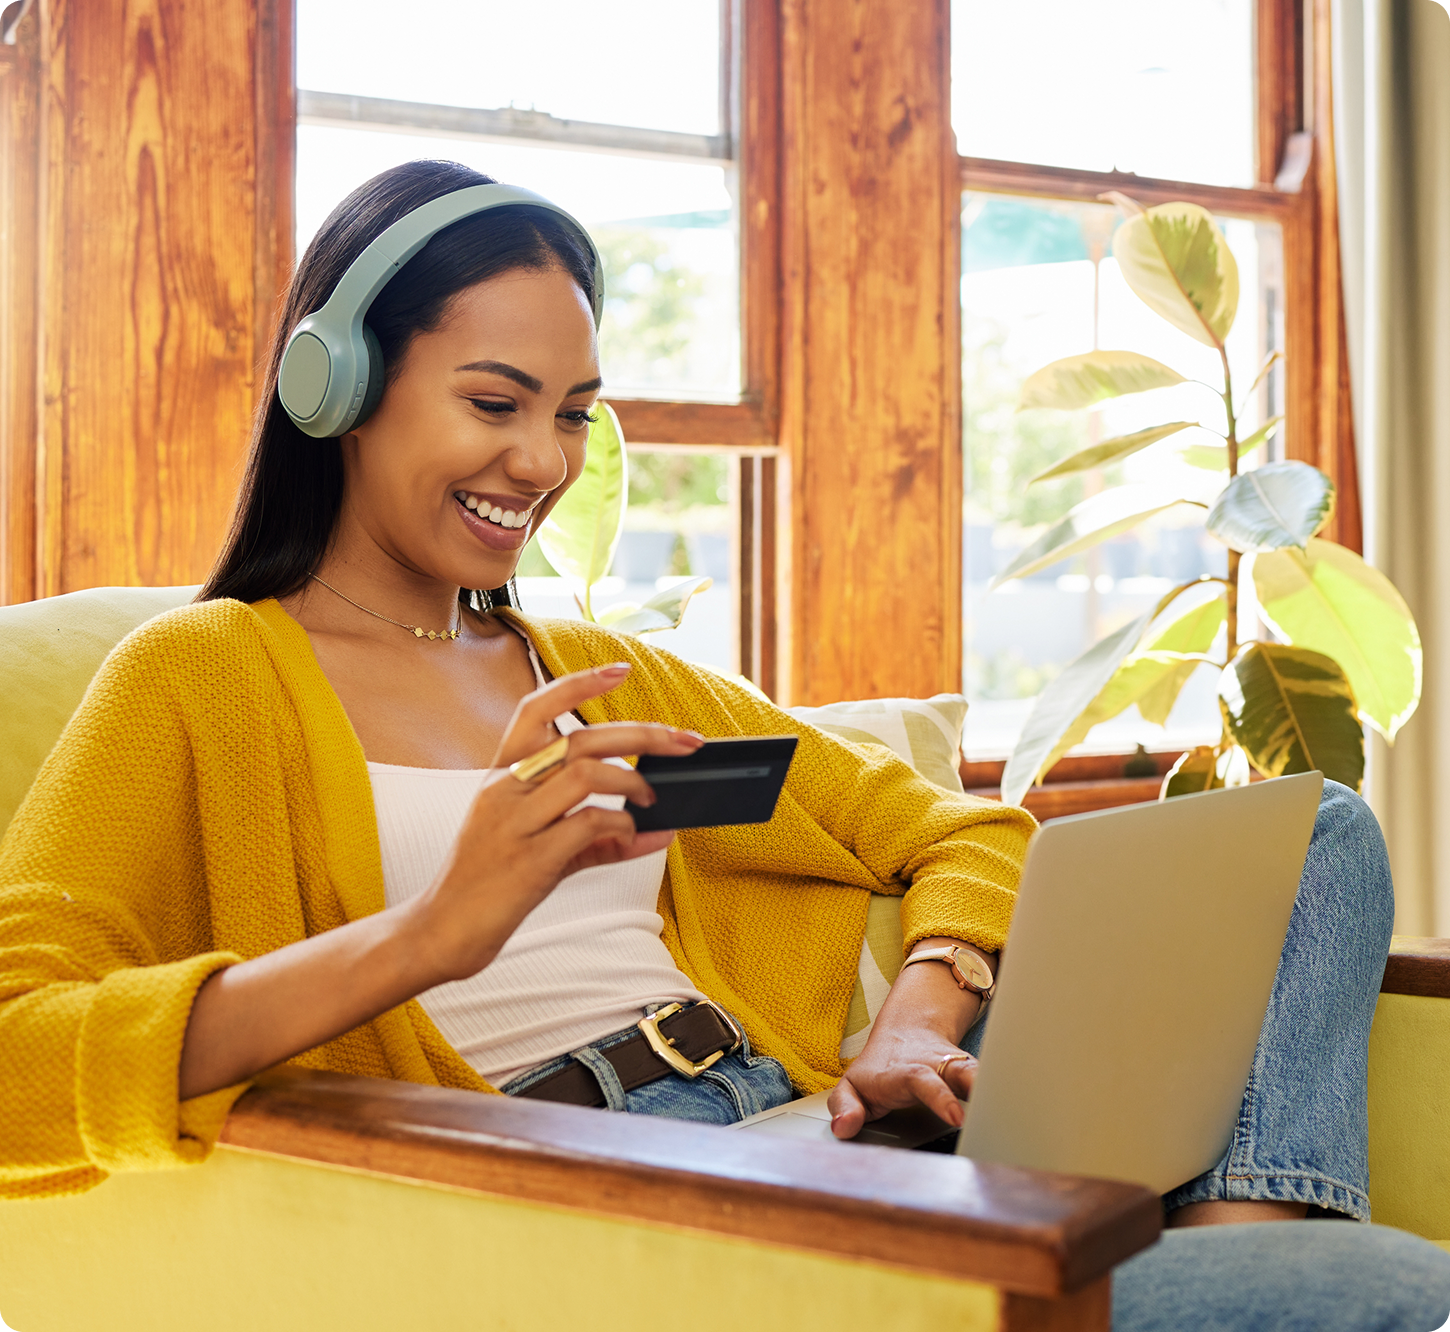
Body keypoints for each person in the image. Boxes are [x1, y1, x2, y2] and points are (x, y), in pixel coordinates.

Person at [1, 159, 1447, 1330]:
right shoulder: (197, 678)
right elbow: (17, 1065)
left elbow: (948, 827)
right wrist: (436, 932)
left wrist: (915, 1015)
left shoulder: (589, 672)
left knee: (1309, 825)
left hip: (827, 1129)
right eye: (494, 403)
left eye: (571, 415)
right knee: (1388, 1292)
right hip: (639, 1196)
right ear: (335, 387)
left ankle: (1240, 1230)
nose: (543, 462)